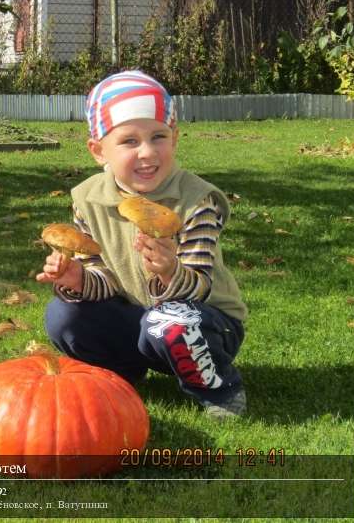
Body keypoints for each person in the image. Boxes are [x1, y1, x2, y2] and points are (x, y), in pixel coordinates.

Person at [36, 70, 248, 418]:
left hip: (207, 323)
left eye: (158, 136)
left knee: (168, 319)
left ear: (175, 138)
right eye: (129, 141)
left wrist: (169, 271)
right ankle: (122, 373)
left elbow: (201, 283)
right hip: (138, 317)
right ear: (98, 150)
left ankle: (219, 389)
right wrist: (76, 279)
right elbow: (102, 279)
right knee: (63, 314)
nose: (147, 152)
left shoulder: (195, 201)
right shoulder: (88, 200)